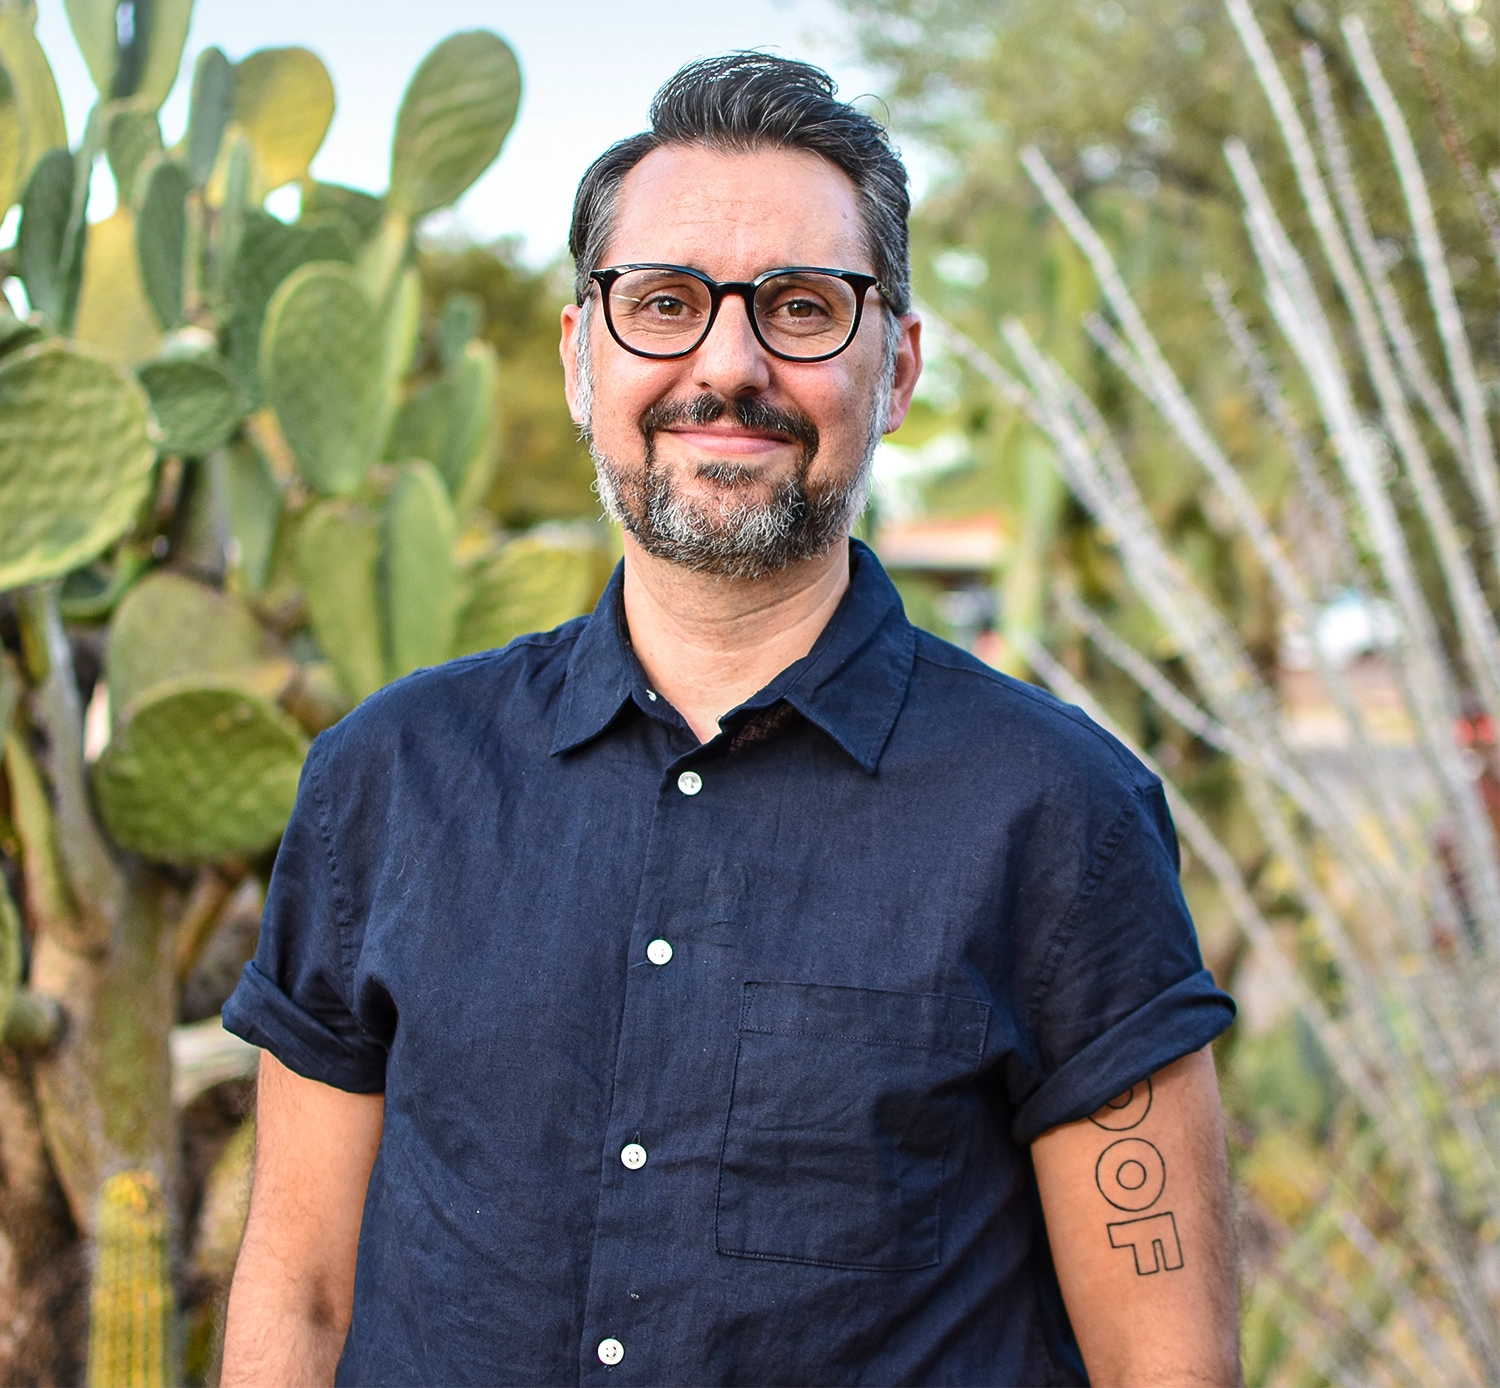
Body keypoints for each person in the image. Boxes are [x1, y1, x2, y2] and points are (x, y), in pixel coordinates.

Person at [220, 53, 1241, 1387]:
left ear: (899, 367)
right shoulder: (389, 778)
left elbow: (1166, 1361)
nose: (728, 363)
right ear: (585, 355)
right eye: (664, 303)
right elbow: (298, 1295)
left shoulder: (1058, 815)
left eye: (805, 308)